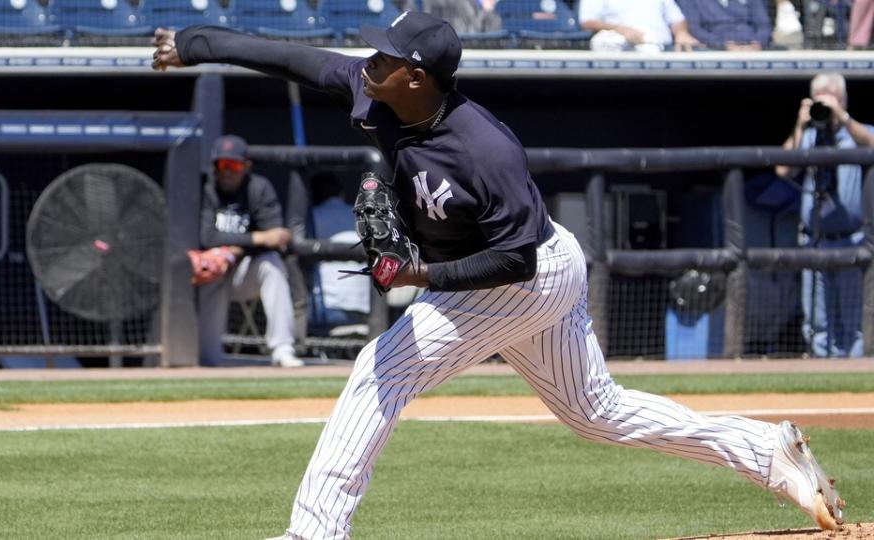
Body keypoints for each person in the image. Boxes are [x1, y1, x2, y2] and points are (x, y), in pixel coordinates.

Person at [153, 12, 844, 538]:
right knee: (596, 413)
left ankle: (314, 531)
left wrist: (420, 273)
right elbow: (291, 58)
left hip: (524, 276)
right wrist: (195, 43)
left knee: (380, 370)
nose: (369, 62)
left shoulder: (485, 149)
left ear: (417, 77)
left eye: (386, 58)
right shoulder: (375, 88)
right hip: (523, 271)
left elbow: (514, 259)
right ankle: (766, 450)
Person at [775, 72, 873, 358]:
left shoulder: (857, 133)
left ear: (843, 100)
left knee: (854, 321)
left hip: (852, 240)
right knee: (817, 321)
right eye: (822, 99)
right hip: (814, 240)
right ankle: (821, 366)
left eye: (833, 98)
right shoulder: (809, 136)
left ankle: (853, 377)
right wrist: (800, 123)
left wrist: (841, 116)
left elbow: (871, 144)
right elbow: (782, 169)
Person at [192, 135, 305, 368]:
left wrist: (236, 248)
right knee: (212, 266)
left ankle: (282, 349)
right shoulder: (207, 189)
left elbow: (275, 238)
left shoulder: (258, 188)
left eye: (233, 165)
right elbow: (207, 237)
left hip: (245, 271)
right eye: (221, 165)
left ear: (246, 166)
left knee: (271, 263)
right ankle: (208, 359)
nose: (227, 172)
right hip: (209, 271)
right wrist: (256, 238)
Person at [306, 171, 371, 333]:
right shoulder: (362, 215)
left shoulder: (311, 217)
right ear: (341, 194)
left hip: (327, 309)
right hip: (369, 307)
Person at [578, 0, 700, 52]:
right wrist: (620, 29)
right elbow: (587, 22)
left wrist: (681, 32)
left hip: (662, 51)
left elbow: (677, 19)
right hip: (622, 55)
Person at [675, 0, 772, 50]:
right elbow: (695, 29)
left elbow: (764, 24)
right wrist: (723, 45)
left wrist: (758, 43)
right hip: (713, 48)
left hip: (754, 47)